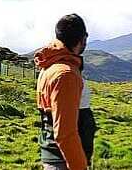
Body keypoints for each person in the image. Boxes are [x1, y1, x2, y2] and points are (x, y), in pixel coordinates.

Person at [35, 14, 96, 170]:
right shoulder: (65, 74)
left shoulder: (50, 66)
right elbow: (65, 132)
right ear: (82, 39)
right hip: (65, 161)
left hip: (56, 158)